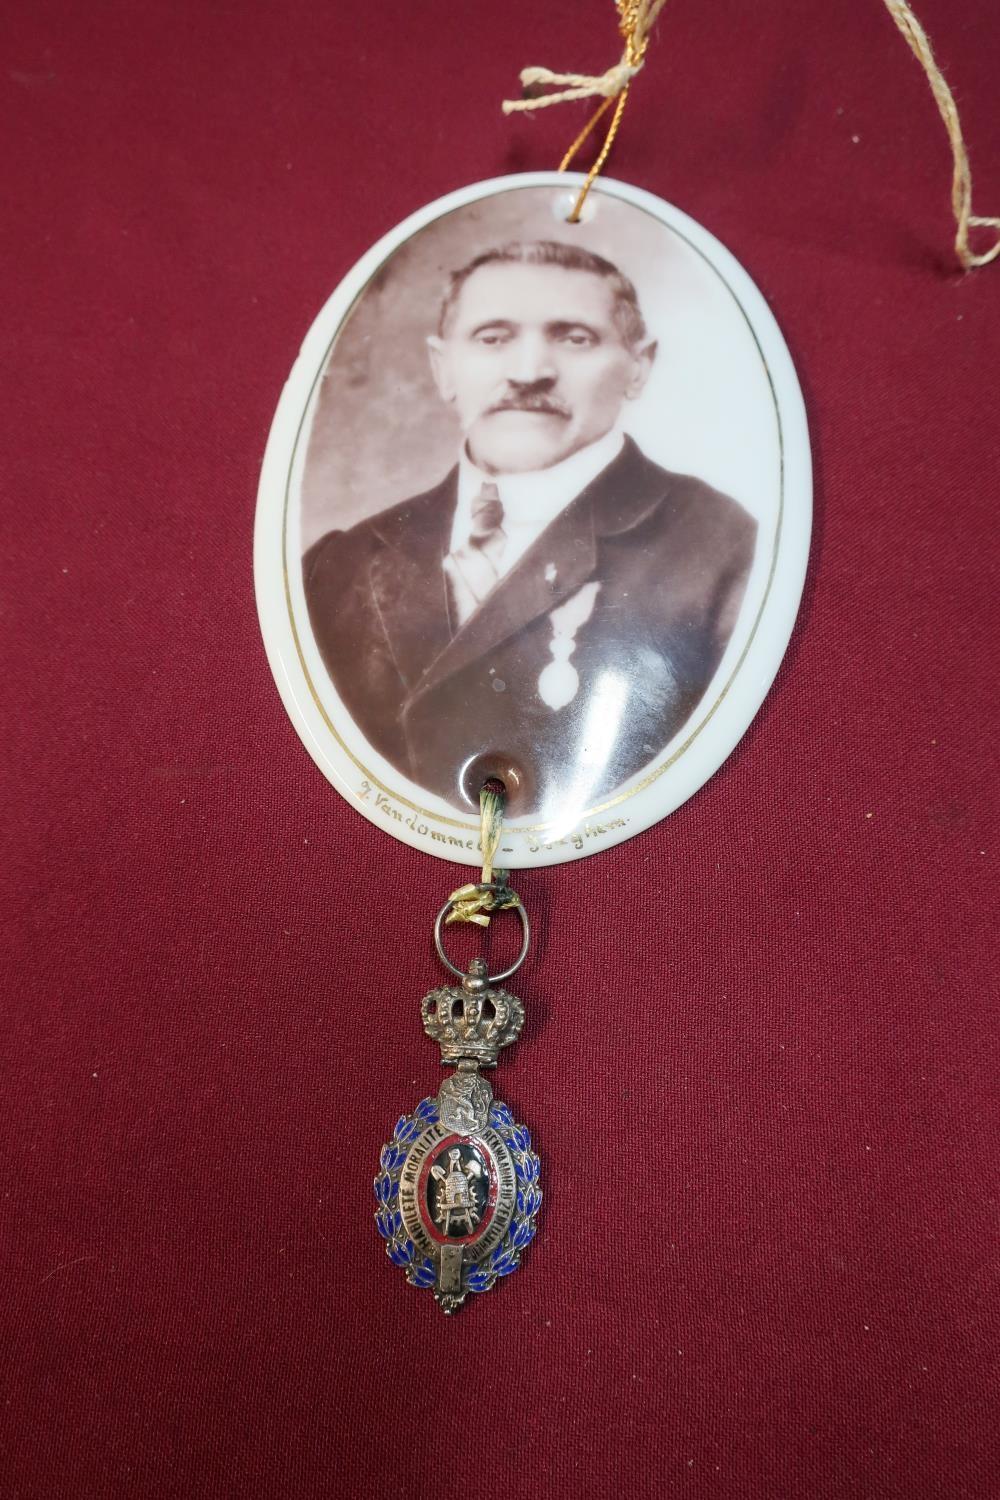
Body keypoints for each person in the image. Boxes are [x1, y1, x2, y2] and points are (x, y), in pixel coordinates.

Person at [303, 239, 756, 817]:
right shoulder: (338, 565)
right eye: (493, 338)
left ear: (638, 367)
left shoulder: (724, 552)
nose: (528, 372)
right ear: (444, 369)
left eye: (574, 338)